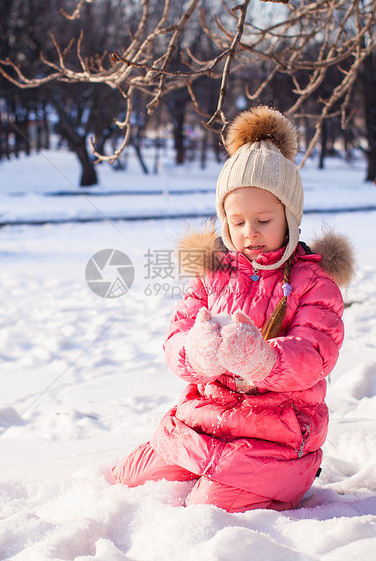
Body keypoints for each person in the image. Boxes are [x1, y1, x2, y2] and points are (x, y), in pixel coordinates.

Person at [111, 106, 355, 513]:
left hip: (275, 431)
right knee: (128, 479)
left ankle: (275, 487)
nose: (250, 232)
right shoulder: (212, 273)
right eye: (237, 221)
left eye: (263, 219)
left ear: (290, 219)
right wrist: (195, 351)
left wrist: (262, 359)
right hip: (206, 417)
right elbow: (175, 338)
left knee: (209, 510)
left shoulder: (314, 284)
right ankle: (199, 468)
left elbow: (315, 355)